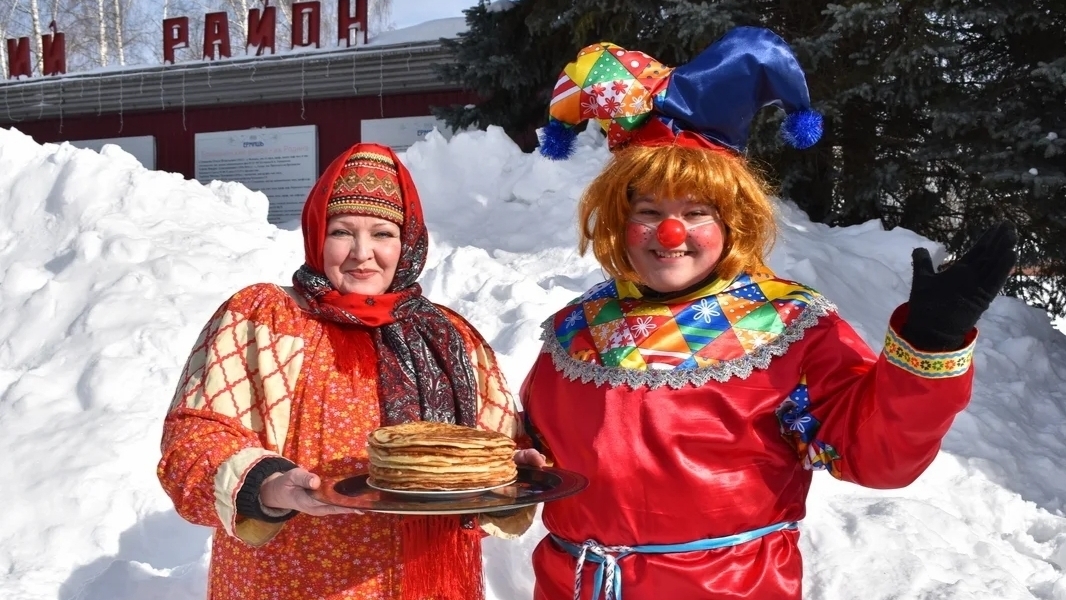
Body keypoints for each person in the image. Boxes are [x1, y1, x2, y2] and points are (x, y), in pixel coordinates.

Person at [522, 27, 1018, 600]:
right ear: (617, 221)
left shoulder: (787, 325)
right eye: (648, 211)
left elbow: (875, 456)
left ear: (734, 222)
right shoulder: (576, 329)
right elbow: (540, 449)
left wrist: (931, 341)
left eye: (697, 212)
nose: (671, 233)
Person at [157, 142, 541, 600]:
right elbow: (194, 440)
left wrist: (506, 476)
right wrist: (271, 486)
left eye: (382, 233)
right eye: (342, 231)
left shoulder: (449, 337)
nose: (363, 253)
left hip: (427, 582)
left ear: (407, 242)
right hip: (290, 580)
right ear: (317, 234)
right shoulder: (264, 319)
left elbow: (496, 447)